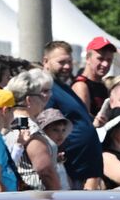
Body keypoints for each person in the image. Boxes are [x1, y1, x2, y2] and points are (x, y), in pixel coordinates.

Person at [41, 41, 103, 189]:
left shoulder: (63, 87)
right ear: (46, 62)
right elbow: (44, 127)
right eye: (61, 62)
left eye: (69, 61)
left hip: (83, 171)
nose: (67, 67)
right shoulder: (46, 89)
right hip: (68, 170)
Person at [72, 36, 115, 116]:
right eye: (100, 58)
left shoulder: (101, 85)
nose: (105, 64)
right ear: (88, 58)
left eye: (109, 60)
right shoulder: (81, 86)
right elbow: (84, 121)